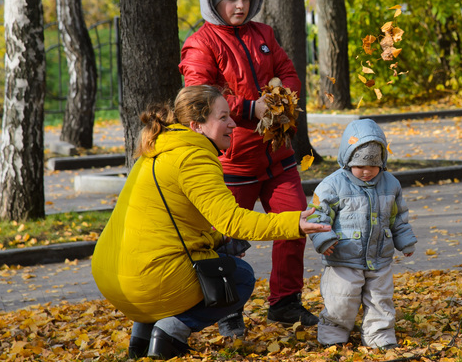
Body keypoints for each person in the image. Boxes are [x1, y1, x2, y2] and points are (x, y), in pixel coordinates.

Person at [90, 85, 331, 360]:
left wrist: (218, 241)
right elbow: (232, 220)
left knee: (210, 256)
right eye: (223, 117)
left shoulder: (160, 148)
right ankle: (170, 332)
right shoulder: (193, 158)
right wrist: (293, 224)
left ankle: (142, 338)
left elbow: (172, 227)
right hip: (146, 282)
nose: (233, 123)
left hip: (112, 277)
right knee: (240, 277)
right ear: (197, 126)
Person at [178, 0, 316, 337]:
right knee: (226, 240)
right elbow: (199, 97)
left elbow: (287, 71)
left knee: (295, 222)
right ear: (213, 1)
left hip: (277, 155)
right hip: (233, 160)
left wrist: (283, 99)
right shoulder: (200, 44)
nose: (239, 6)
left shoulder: (263, 33)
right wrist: (246, 108)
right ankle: (227, 311)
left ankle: (285, 304)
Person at [307, 119, 418, 349]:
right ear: (347, 161)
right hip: (343, 257)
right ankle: (333, 335)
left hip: (380, 258)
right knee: (341, 299)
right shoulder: (332, 185)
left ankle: (380, 335)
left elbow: (398, 216)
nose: (366, 171)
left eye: (372, 165)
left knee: (380, 299)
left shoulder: (391, 184)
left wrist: (404, 240)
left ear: (382, 162)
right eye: (359, 166)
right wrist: (323, 239)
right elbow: (317, 214)